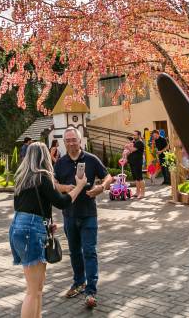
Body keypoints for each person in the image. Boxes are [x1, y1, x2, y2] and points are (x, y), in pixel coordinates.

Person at [11, 141, 87, 318]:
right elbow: (61, 202)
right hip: (31, 230)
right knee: (32, 290)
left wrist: (45, 223)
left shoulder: (22, 178)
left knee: (37, 288)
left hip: (20, 227)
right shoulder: (42, 176)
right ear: (45, 156)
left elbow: (23, 206)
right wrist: (80, 186)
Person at [54, 126, 113, 309]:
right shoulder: (60, 163)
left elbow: (108, 176)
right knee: (74, 252)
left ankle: (91, 291)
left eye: (74, 140)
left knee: (89, 251)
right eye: (68, 140)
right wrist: (64, 188)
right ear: (64, 143)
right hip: (69, 215)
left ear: (80, 141)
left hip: (88, 215)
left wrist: (101, 187)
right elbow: (53, 183)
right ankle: (78, 282)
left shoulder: (91, 159)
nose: (71, 143)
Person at [126, 130, 145, 199]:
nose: (134, 136)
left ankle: (142, 193)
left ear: (139, 135)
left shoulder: (139, 142)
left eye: (135, 135)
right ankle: (137, 192)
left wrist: (128, 146)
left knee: (140, 178)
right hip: (133, 162)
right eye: (133, 135)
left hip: (137, 162)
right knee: (136, 178)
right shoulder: (135, 142)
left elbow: (132, 149)